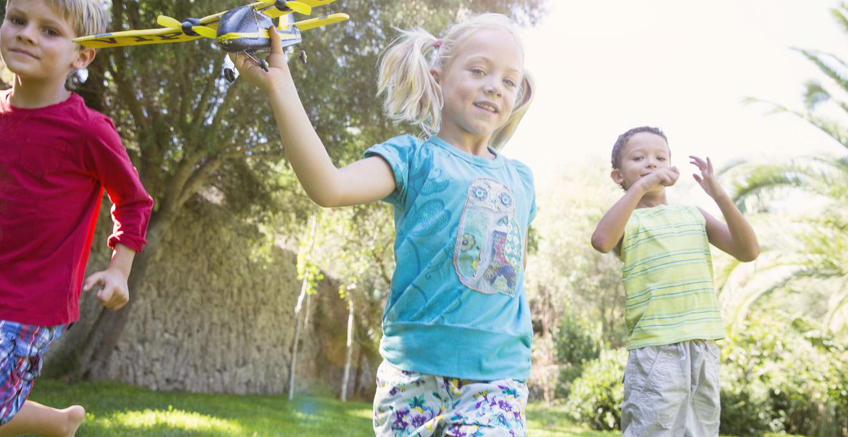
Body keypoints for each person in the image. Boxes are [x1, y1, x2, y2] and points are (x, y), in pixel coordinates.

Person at [234, 12, 536, 437]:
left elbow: (512, 275)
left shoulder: (521, 179)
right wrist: (280, 86)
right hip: (413, 375)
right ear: (438, 75)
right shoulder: (414, 159)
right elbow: (329, 186)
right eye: (479, 70)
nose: (495, 87)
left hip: (498, 379)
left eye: (509, 80)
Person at [0, 0, 153, 435]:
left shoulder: (88, 131)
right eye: (16, 20)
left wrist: (119, 269)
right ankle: (58, 423)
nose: (26, 34)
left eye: (49, 31)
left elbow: (134, 201)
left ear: (81, 55)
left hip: (34, 302)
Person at [591, 126, 760, 436]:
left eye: (660, 157)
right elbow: (601, 241)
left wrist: (719, 195)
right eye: (639, 158)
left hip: (703, 344)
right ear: (618, 177)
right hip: (656, 348)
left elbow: (748, 251)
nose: (652, 164)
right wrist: (640, 189)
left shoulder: (693, 214)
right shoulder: (628, 220)